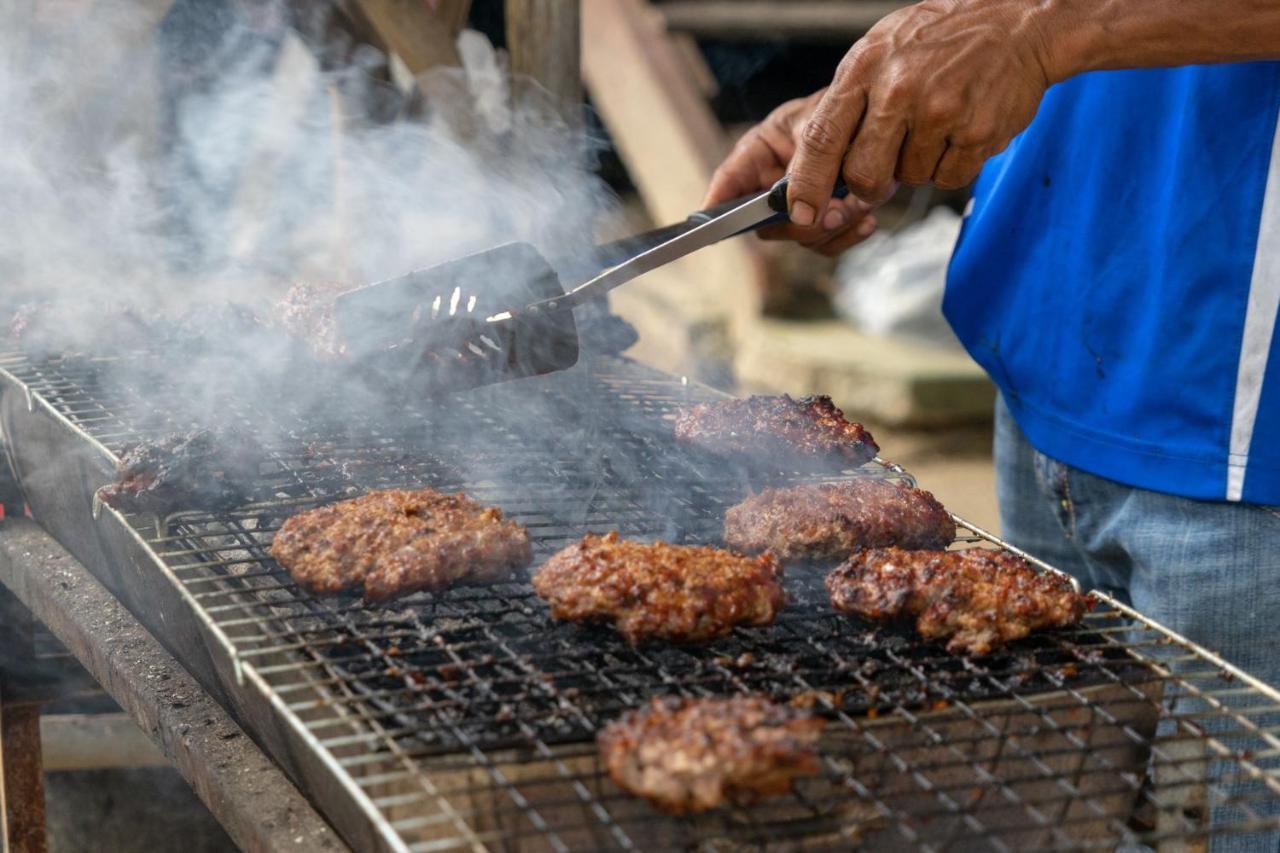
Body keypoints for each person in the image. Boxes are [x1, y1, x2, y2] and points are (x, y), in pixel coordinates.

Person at [704, 3, 1280, 844]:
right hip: (1042, 348)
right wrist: (891, 103)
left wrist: (1035, 32)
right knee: (1051, 821)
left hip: (1237, 427)